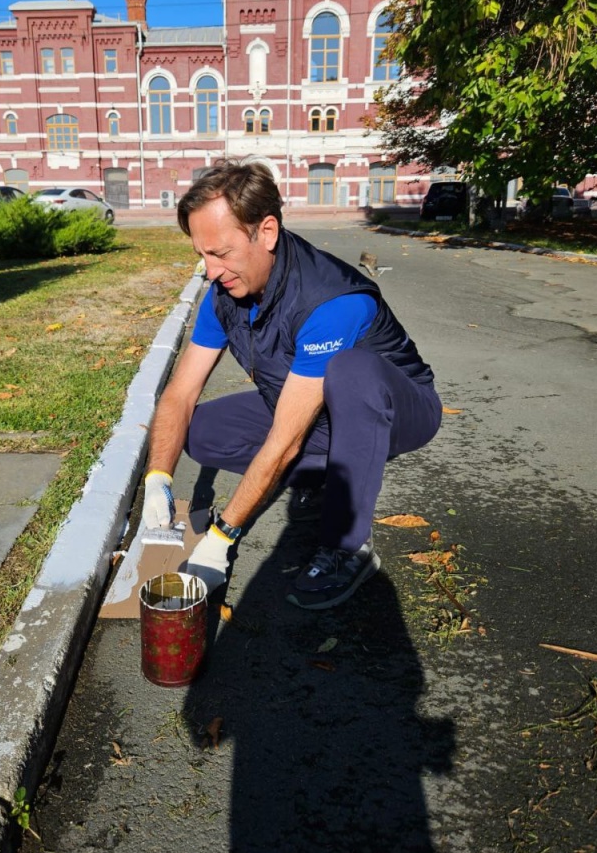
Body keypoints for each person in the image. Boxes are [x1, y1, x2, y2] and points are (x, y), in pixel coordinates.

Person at [141, 160, 442, 610]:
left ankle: (348, 545)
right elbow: (180, 393)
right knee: (201, 430)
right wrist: (156, 478)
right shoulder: (224, 294)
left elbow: (284, 440)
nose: (209, 271)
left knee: (350, 373)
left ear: (266, 232)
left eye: (220, 253)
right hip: (311, 404)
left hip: (399, 408)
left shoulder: (330, 302)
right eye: (201, 255)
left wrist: (222, 537)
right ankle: (326, 472)